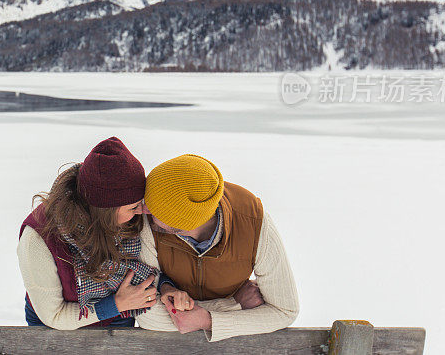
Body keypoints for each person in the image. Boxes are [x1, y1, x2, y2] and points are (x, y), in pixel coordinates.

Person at [17, 137, 193, 329]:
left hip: (119, 317)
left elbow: (146, 267)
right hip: (56, 328)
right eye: (134, 207)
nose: (143, 211)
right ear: (105, 211)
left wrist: (166, 287)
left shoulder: (130, 220)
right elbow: (55, 316)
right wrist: (116, 305)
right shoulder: (39, 238)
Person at [135, 154, 299, 341]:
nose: (142, 209)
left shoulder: (253, 222)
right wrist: (233, 305)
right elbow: (146, 315)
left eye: (153, 207)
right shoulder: (147, 225)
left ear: (181, 220)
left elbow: (285, 311)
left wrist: (207, 321)